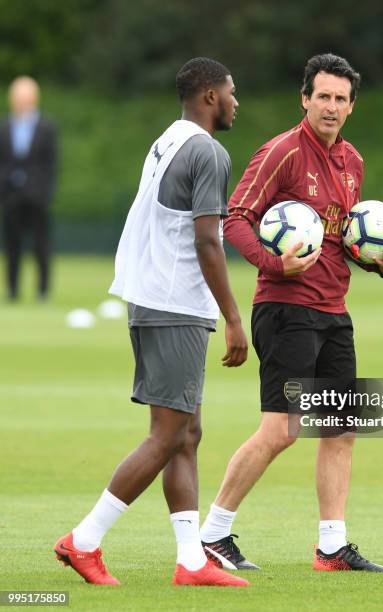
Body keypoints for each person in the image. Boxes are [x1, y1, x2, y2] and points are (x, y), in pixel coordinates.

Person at [200, 53, 383, 573]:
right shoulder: (281, 151)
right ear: (305, 99)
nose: (331, 107)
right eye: (323, 97)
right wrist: (276, 263)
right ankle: (212, 535)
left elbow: (341, 246)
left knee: (340, 430)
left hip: (334, 311)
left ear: (351, 106)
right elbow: (236, 220)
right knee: (282, 430)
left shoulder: (353, 163)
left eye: (340, 98)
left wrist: (382, 265)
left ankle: (332, 547)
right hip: (284, 308)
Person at [54, 58, 250, 588]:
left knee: (187, 433)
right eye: (232, 92)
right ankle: (84, 541)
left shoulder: (168, 138)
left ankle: (191, 562)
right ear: (210, 95)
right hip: (175, 306)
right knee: (166, 436)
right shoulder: (209, 151)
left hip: (153, 300)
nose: (237, 102)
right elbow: (209, 240)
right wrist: (234, 317)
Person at [0, 76, 57, 301]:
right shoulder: (4, 126)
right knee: (12, 245)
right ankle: (12, 291)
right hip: (11, 194)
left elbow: (52, 163)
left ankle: (43, 291)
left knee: (41, 244)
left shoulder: (47, 127)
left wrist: (44, 191)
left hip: (37, 195)